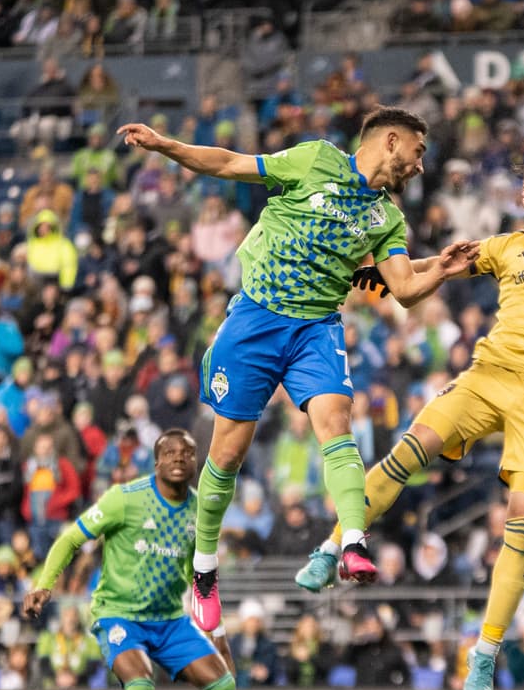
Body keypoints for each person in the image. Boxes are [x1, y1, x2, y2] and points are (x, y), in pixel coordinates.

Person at [298, 153, 524, 690]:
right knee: (407, 452)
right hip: (488, 376)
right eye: (521, 186)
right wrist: (361, 277)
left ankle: (485, 649)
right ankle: (332, 546)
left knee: (522, 518)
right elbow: (430, 271)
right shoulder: (507, 244)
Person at [118, 108, 478, 630]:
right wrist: (165, 145)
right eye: (420, 153)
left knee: (337, 423)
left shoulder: (388, 218)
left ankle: (352, 540)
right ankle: (203, 568)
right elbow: (228, 163)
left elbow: (401, 289)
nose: (423, 167)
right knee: (227, 453)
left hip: (317, 328)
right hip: (256, 319)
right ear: (393, 141)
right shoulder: (314, 159)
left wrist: (441, 268)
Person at [22, 428, 248, 690]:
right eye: (170, 453)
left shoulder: (201, 513)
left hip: (170, 620)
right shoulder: (124, 500)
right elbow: (70, 538)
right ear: (156, 462)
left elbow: (204, 581)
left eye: (187, 454)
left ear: (195, 463)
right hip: (118, 614)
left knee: (224, 686)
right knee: (140, 682)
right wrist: (44, 585)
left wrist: (219, 636)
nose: (179, 459)